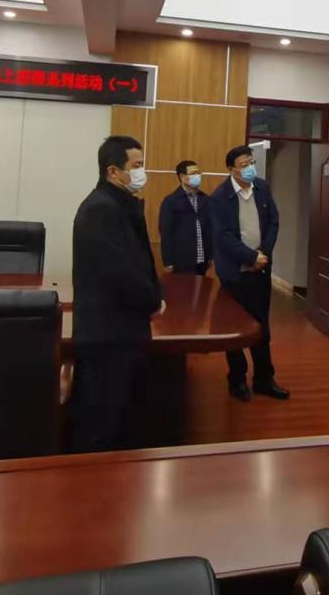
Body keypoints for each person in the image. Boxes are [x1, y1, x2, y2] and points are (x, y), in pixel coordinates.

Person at [68, 135, 165, 452]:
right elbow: (120, 271)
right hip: (107, 334)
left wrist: (153, 294)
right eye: (136, 165)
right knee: (102, 422)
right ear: (113, 171)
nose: (142, 172)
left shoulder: (119, 204)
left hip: (121, 329)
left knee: (121, 417)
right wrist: (152, 300)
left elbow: (139, 261)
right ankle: (94, 478)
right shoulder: (101, 209)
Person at [209, 144, 289, 402]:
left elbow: (274, 221)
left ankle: (264, 379)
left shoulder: (262, 188)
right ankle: (237, 380)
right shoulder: (219, 197)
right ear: (231, 169)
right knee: (235, 330)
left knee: (261, 328)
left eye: (251, 162)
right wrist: (250, 257)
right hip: (235, 274)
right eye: (244, 165)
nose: (250, 168)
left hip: (260, 272)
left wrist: (263, 253)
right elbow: (223, 237)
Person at [158, 160, 214, 275]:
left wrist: (211, 255)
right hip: (181, 261)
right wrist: (168, 262)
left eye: (198, 173)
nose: (197, 176)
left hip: (203, 260)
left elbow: (210, 229)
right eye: (193, 173)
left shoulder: (205, 199)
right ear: (182, 177)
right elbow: (166, 233)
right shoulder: (171, 201)